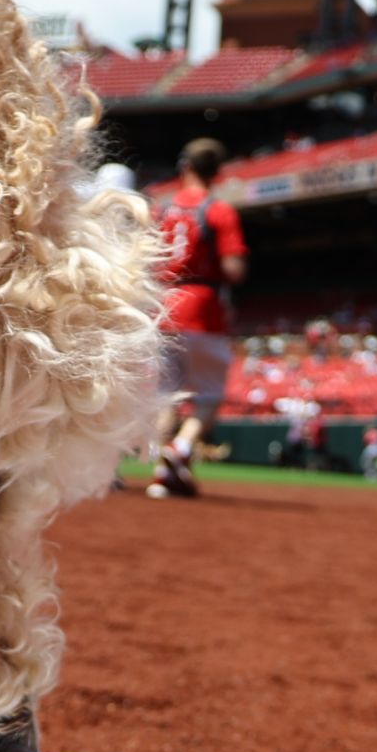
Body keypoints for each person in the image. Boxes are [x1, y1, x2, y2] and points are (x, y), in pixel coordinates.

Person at [148, 137, 248, 498]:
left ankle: (164, 473)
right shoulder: (219, 210)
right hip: (202, 307)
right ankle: (183, 448)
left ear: (184, 166)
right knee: (207, 395)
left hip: (162, 303)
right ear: (216, 172)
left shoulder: (160, 209)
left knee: (167, 396)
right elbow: (234, 268)